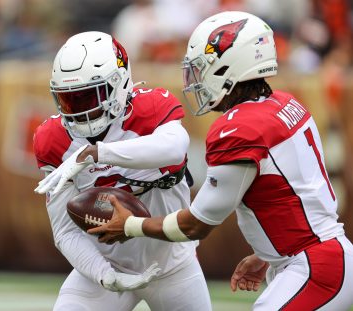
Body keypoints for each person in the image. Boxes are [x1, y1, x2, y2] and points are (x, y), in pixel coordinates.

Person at [89, 11, 353, 311]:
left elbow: (195, 225)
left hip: (316, 268)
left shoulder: (240, 129)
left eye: (202, 69)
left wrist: (131, 225)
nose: (195, 80)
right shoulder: (284, 103)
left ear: (231, 66)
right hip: (317, 257)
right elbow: (296, 195)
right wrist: (268, 254)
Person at [33, 31, 211, 311]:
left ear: (119, 83)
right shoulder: (52, 139)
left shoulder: (150, 107)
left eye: (89, 97)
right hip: (108, 262)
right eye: (70, 101)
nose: (80, 111)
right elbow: (65, 232)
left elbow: (174, 147)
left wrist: (97, 153)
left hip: (173, 264)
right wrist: (105, 276)